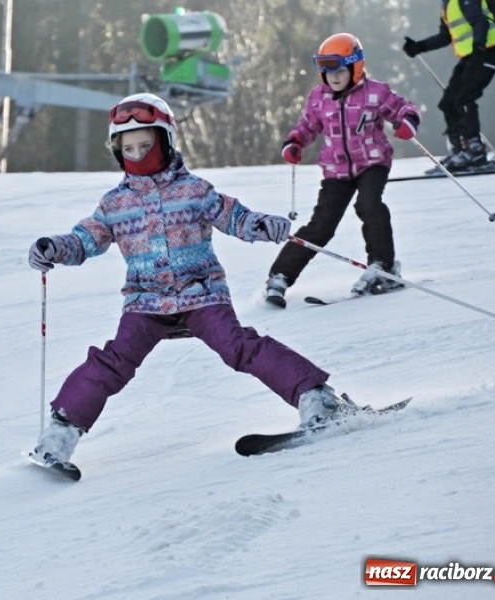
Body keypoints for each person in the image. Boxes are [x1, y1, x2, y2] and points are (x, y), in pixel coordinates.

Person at [27, 92, 353, 466]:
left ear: (166, 141)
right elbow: (86, 239)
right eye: (128, 148)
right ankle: (58, 436)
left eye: (146, 145)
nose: (137, 155)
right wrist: (55, 247)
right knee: (112, 361)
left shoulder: (194, 191)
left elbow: (234, 217)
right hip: (146, 302)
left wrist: (263, 225)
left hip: (202, 295)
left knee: (239, 347)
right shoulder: (115, 204)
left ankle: (318, 398)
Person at [265, 33, 421, 308]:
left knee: (369, 204)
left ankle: (383, 266)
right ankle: (280, 276)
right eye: (325, 69)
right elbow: (307, 125)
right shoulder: (318, 97)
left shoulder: (375, 92)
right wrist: (295, 141)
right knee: (321, 225)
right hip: (336, 170)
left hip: (372, 163)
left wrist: (407, 122)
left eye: (338, 69)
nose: (332, 76)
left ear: (355, 66)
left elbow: (403, 108)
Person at [402, 0, 495, 170]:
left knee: (464, 98)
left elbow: (480, 21)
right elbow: (446, 36)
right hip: (472, 54)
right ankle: (460, 151)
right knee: (448, 102)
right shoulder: (447, 4)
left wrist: (479, 48)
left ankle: (475, 151)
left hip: (486, 51)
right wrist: (419, 47)